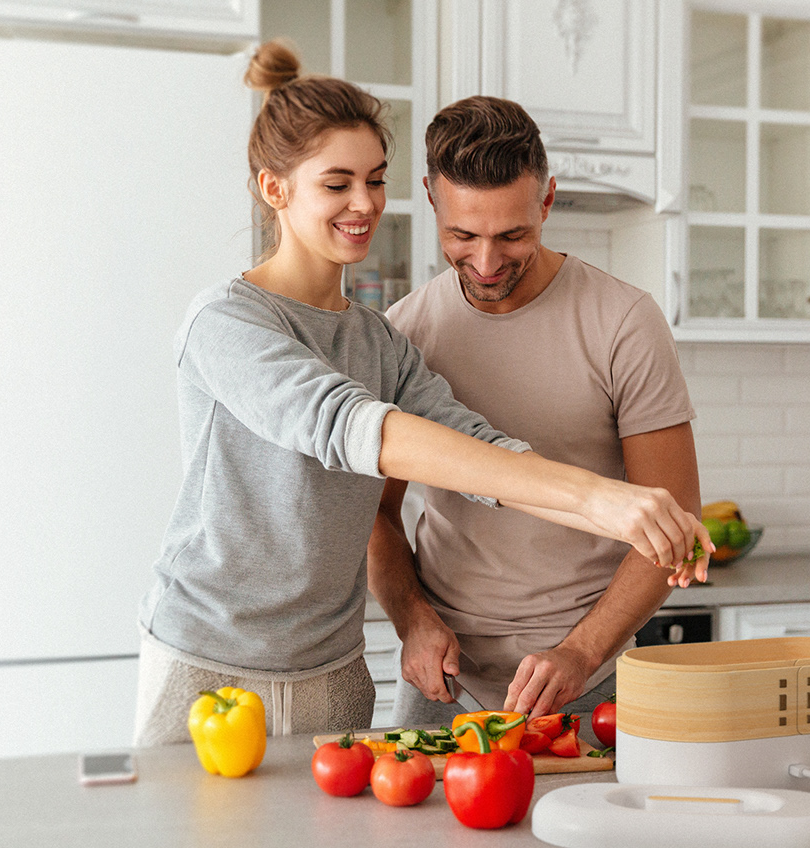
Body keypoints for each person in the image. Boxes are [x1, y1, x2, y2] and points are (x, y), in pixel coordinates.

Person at [133, 45, 709, 747]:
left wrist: (632, 512)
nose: (364, 203)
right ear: (276, 189)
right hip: (211, 659)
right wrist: (598, 499)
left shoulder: (381, 343)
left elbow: (484, 454)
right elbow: (348, 425)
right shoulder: (225, 322)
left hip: (333, 667)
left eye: (375, 180)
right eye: (337, 184)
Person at [368, 96, 705, 732]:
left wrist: (582, 651)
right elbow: (374, 514)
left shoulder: (623, 323)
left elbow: (674, 516)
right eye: (462, 235)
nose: (487, 263)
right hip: (439, 678)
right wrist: (411, 619)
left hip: (587, 682)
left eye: (512, 235)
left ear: (546, 201)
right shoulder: (403, 332)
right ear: (431, 201)